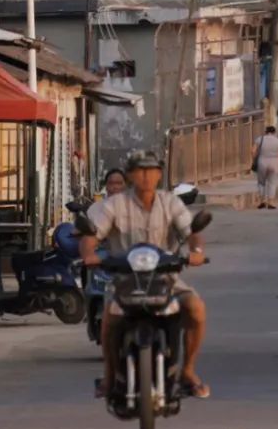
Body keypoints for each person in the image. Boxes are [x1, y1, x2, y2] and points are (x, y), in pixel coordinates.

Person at [80, 150, 210, 400]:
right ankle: (109, 376)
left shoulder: (170, 202)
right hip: (125, 281)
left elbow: (190, 231)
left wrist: (196, 251)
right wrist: (89, 254)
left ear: (159, 175)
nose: (146, 176)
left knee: (196, 309)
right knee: (109, 316)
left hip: (166, 280)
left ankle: (188, 371)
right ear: (130, 175)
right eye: (139, 171)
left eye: (151, 171)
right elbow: (91, 234)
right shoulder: (115, 204)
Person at [254, 125, 278, 209]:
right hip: (274, 162)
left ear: (266, 131)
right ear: (274, 132)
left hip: (262, 162)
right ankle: (271, 202)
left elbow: (253, 151)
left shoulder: (260, 139)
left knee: (261, 183)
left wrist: (255, 158)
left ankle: (262, 201)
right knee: (272, 183)